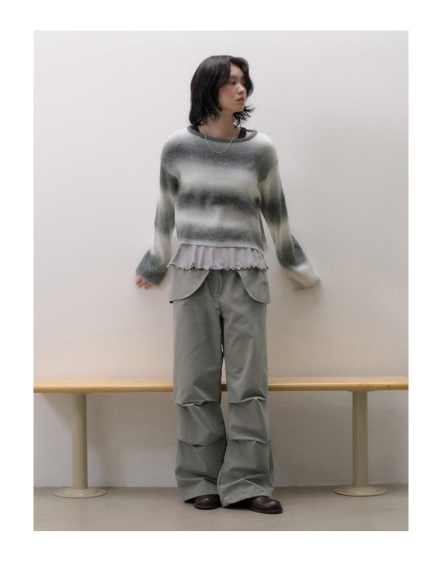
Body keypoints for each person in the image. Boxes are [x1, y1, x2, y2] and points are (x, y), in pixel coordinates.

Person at [135, 55, 321, 514]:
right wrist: (155, 264)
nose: (242, 90)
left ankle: (248, 483)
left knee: (248, 385)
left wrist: (295, 264)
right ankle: (201, 480)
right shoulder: (177, 147)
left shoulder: (261, 150)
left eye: (244, 82)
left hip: (246, 276)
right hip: (192, 275)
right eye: (231, 82)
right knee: (193, 384)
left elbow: (276, 210)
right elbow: (165, 211)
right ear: (208, 88)